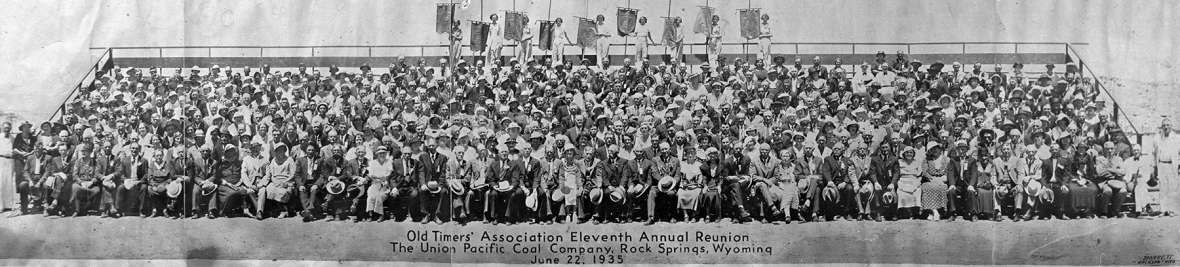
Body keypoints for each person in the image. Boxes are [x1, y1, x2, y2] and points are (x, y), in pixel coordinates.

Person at [0, 122, 16, 212]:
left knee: (9, 182)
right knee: (1, 183)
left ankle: (9, 205)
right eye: (5, 128)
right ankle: (1, 205)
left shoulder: (12, 138)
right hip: (1, 160)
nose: (7, 130)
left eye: (8, 128)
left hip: (10, 160)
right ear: (2, 128)